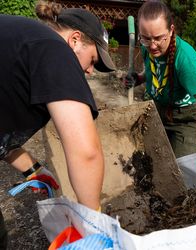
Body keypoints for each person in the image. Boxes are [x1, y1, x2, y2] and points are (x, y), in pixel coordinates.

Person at [0, 0, 116, 247]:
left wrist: (33, 170)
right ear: (74, 40)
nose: (90, 72)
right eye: (93, 60)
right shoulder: (55, 49)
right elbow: (85, 153)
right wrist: (92, 222)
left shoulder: (21, 40)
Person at [125, 0, 196, 179]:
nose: (152, 45)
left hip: (186, 117)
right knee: (154, 159)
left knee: (181, 169)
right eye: (146, 38)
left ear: (171, 30)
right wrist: (139, 78)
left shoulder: (186, 60)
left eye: (159, 38)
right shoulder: (148, 47)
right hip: (158, 109)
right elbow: (154, 71)